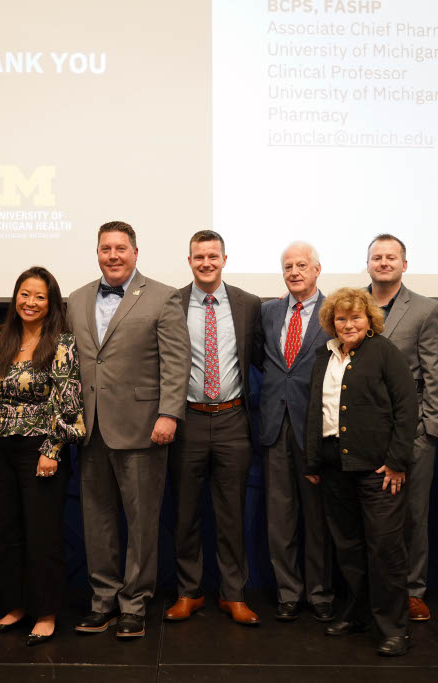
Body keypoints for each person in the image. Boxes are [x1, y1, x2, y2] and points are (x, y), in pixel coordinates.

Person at [67, 221, 190, 639]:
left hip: (143, 427)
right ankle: (103, 601)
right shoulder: (77, 298)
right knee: (96, 520)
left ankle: (134, 603)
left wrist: (169, 413)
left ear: (135, 252)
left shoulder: (163, 296)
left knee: (141, 522)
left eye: (121, 248)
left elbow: (176, 362)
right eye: (106, 248)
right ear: (97, 252)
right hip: (90, 427)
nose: (113, 255)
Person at [305, 287, 417, 656]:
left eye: (355, 317)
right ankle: (356, 614)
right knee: (348, 548)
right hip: (335, 468)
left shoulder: (384, 352)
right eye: (341, 318)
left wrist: (398, 461)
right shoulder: (325, 356)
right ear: (331, 322)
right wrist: (313, 460)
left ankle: (393, 629)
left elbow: (406, 408)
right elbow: (315, 410)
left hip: (379, 470)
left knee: (385, 550)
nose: (348, 324)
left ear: (369, 320)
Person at [164, 230, 263, 627]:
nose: (205, 263)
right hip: (186, 419)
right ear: (189, 261)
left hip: (233, 420)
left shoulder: (249, 305)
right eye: (198, 257)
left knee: (231, 513)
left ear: (225, 259)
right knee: (185, 513)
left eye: (212, 256)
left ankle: (233, 594)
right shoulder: (171, 304)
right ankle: (189, 592)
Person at [0, 266, 85, 646]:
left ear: (51, 302)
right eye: (25, 294)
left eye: (40, 296)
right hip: (3, 445)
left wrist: (52, 450)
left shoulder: (62, 343)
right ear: (15, 297)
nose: (31, 302)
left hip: (42, 449)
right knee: (6, 531)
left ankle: (45, 612)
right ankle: (15, 606)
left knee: (43, 534)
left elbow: (68, 399)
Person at [366, 234, 438, 622]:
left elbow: (436, 375)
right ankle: (376, 591)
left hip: (413, 428)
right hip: (364, 431)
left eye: (391, 257)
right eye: (377, 257)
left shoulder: (426, 310)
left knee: (414, 516)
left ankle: (413, 592)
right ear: (367, 264)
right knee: (370, 518)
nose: (384, 263)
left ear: (404, 264)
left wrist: (430, 430)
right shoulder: (353, 304)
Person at [257, 241, 335, 623]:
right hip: (274, 425)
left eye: (302, 265)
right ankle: (289, 592)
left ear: (317, 269)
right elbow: (263, 360)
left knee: (317, 518)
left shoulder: (333, 312)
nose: (294, 272)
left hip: (317, 428)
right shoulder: (268, 312)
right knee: (280, 517)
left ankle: (320, 592)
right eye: (288, 266)